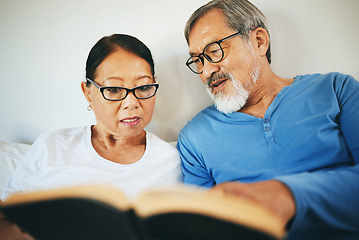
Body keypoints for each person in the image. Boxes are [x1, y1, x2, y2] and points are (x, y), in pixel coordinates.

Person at [177, 0, 359, 239]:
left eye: (214, 51)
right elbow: (201, 226)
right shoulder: (194, 137)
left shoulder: (336, 89)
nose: (206, 72)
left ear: (259, 41)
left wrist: (288, 196)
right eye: (198, 60)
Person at [1, 34, 183, 202]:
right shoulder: (50, 146)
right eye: (113, 89)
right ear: (88, 93)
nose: (131, 103)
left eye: (143, 87)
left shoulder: (171, 162)